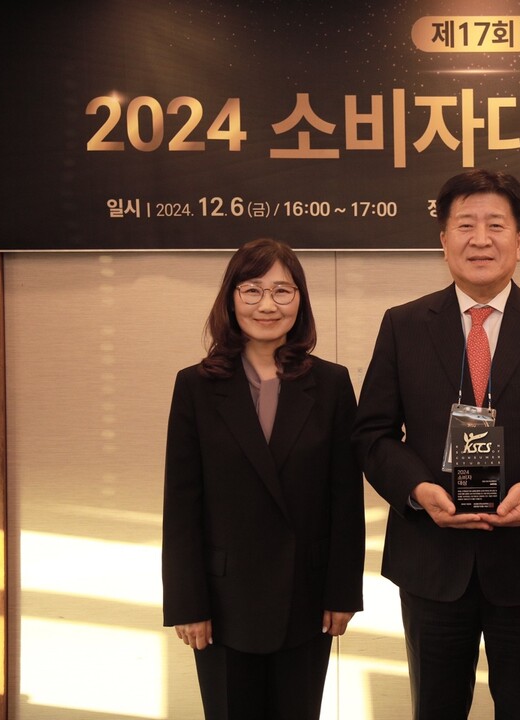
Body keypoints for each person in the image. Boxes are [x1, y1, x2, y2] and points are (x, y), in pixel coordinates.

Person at [352, 169, 520, 720]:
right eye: (465, 225)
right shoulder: (403, 325)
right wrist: (418, 489)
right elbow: (372, 433)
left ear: (519, 242)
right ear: (443, 239)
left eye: (496, 225)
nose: (480, 239)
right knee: (436, 708)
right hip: (431, 560)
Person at [162, 238, 364, 720]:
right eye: (252, 290)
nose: (267, 305)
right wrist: (187, 603)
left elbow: (345, 499)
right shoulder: (195, 386)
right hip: (222, 601)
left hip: (307, 597)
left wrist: (342, 593)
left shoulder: (332, 384)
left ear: (300, 301)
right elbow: (181, 504)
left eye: (282, 291)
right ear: (231, 299)